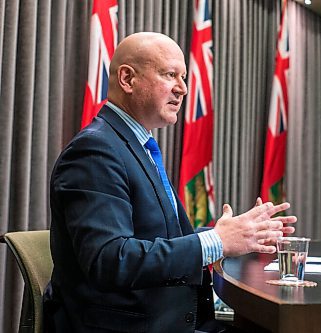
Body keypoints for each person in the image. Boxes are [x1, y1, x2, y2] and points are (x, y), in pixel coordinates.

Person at [44, 32, 297, 333]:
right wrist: (216, 242)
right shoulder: (95, 152)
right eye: (170, 75)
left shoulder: (135, 145)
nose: (184, 88)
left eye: (184, 77)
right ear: (127, 79)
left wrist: (235, 236)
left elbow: (157, 237)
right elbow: (110, 260)